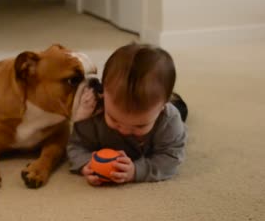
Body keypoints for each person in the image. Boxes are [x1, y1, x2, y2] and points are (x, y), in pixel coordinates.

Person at [67, 43, 188, 186]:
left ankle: (175, 100)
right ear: (104, 93)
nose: (124, 130)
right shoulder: (91, 115)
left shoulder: (168, 121)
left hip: (171, 113)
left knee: (181, 111)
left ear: (162, 108)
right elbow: (75, 146)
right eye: (114, 119)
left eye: (139, 125)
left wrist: (136, 171)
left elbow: (171, 157)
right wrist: (86, 163)